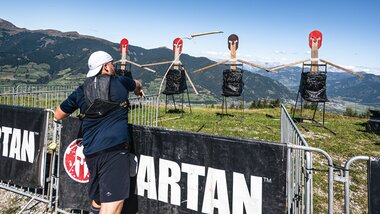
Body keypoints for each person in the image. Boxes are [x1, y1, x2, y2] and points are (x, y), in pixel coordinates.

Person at [54, 50, 143, 214]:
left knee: (98, 200)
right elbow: (136, 83)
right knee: (112, 205)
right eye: (112, 64)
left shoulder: (82, 90)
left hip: (91, 152)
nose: (114, 66)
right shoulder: (121, 82)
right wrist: (138, 89)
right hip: (114, 150)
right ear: (106, 67)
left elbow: (58, 114)